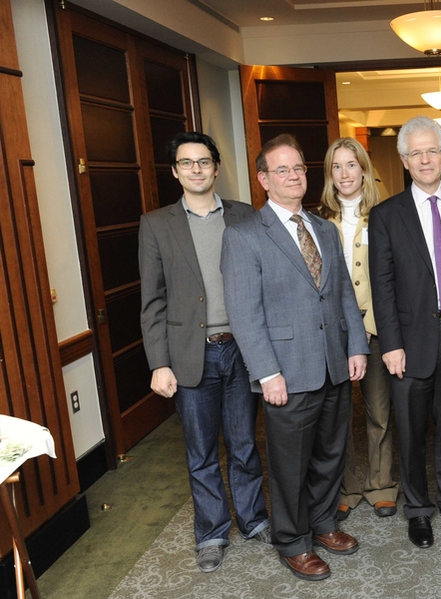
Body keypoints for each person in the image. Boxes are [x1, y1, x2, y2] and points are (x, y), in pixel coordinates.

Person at [221, 134, 369, 582]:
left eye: (299, 168)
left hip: (333, 363)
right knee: (289, 465)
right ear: (264, 179)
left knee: (330, 454)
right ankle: (292, 540)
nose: (293, 176)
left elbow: (342, 295)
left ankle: (323, 523)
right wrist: (267, 373)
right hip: (286, 371)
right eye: (282, 170)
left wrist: (357, 346)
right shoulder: (244, 235)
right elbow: (244, 314)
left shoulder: (323, 228)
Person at [139, 131, 269, 573]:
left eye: (204, 161)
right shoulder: (156, 224)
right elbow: (152, 300)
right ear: (175, 171)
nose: (196, 169)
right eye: (186, 162)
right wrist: (159, 362)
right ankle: (212, 533)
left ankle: (253, 520)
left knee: (245, 445)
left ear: (216, 167)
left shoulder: (245, 216)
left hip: (242, 350)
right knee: (201, 452)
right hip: (190, 355)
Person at [369, 116, 441, 549]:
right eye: (415, 152)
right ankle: (418, 509)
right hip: (410, 342)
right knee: (412, 429)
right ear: (404, 160)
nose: (424, 159)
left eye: (431, 150)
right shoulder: (385, 215)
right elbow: (381, 285)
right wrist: (392, 344)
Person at [319, 138, 399, 520]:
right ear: (329, 174)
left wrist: (372, 327)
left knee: (379, 411)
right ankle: (346, 486)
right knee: (337, 415)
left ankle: (381, 484)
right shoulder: (317, 221)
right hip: (333, 330)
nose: (345, 174)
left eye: (352, 165)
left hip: (378, 328)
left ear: (364, 169)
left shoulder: (384, 215)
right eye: (337, 166)